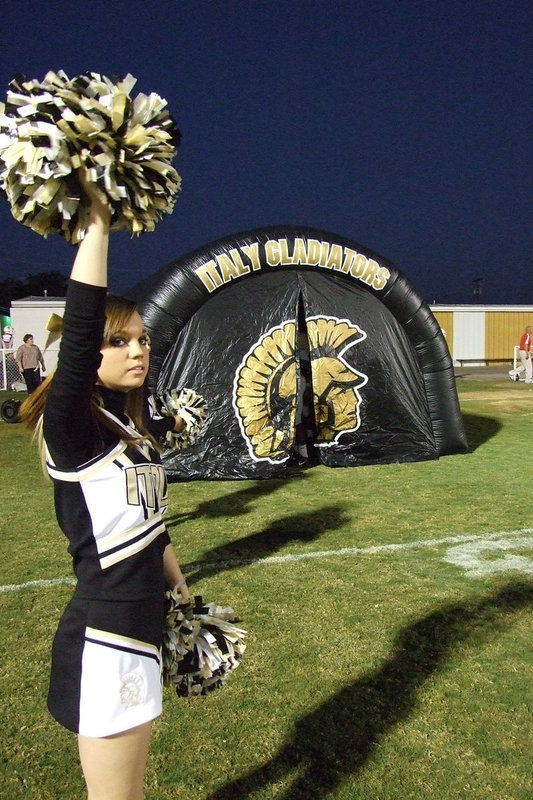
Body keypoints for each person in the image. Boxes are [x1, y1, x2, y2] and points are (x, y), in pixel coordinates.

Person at [19, 178, 190, 800]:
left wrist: (182, 592)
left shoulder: (129, 429)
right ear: (88, 352)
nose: (137, 349)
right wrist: (97, 220)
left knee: (132, 791)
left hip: (142, 626)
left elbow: (152, 528)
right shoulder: (72, 427)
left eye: (143, 337)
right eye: (118, 341)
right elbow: (84, 316)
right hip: (105, 637)